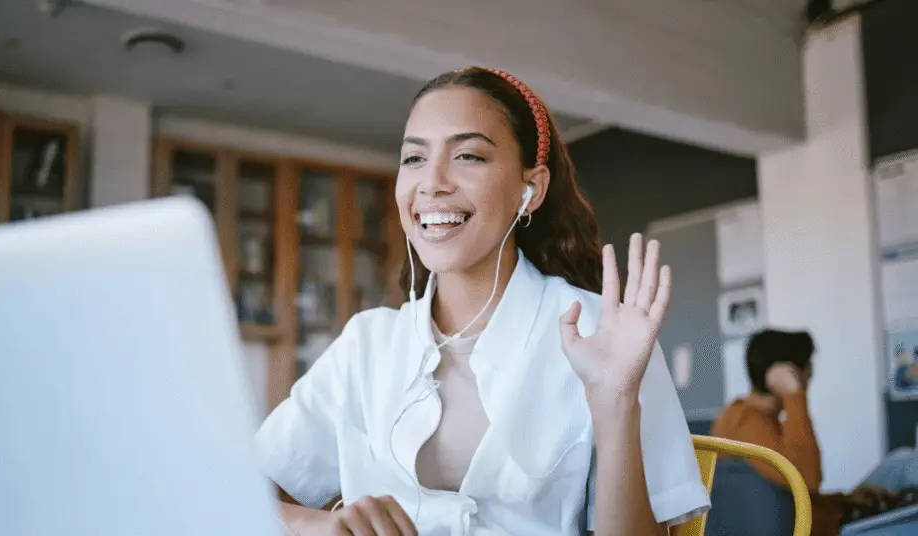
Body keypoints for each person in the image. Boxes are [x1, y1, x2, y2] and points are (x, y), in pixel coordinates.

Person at [254, 66, 710, 536]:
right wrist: (315, 527)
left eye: (467, 155)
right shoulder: (367, 343)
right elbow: (240, 488)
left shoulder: (607, 334)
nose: (431, 183)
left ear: (530, 190)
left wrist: (616, 405)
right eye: (413, 158)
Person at [711, 329, 918, 535]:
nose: (810, 375)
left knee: (900, 461)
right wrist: (794, 394)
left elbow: (791, 493)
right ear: (789, 372)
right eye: (808, 368)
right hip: (823, 529)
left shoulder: (748, 418)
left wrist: (844, 499)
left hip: (826, 515)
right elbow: (807, 478)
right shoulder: (744, 421)